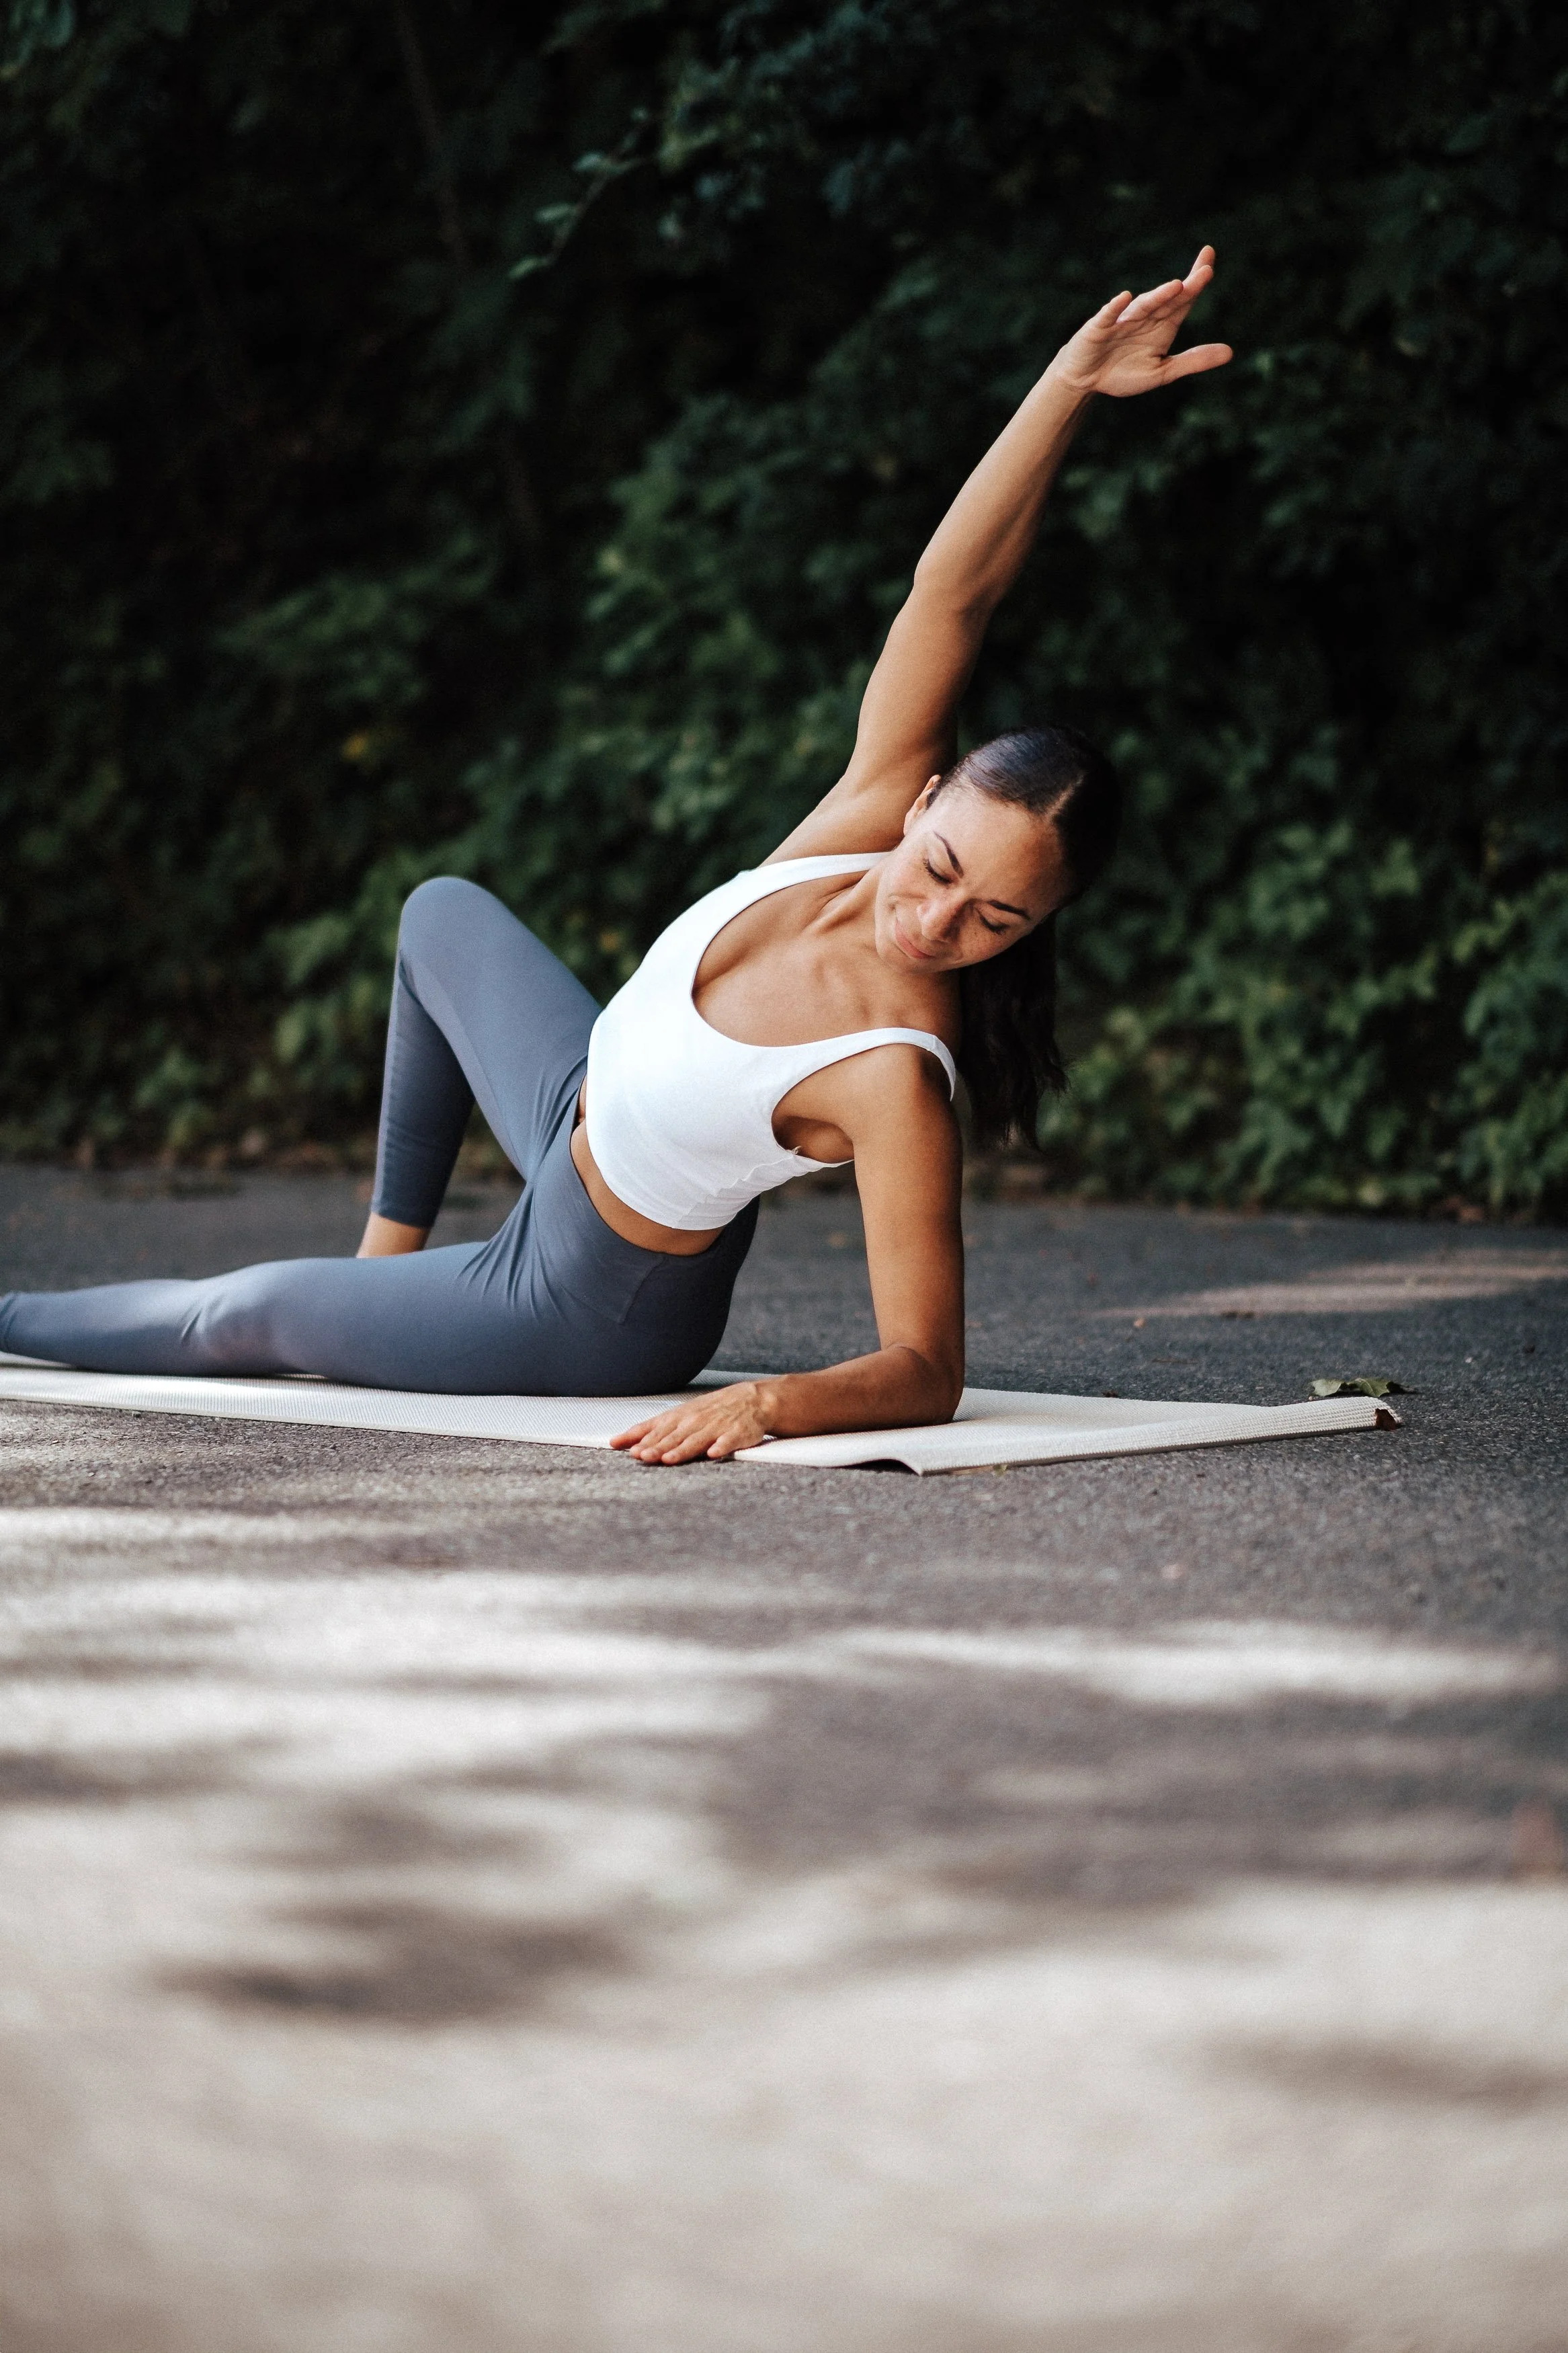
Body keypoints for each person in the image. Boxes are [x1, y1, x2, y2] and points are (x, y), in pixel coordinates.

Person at [0, 250, 1231, 1463]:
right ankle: (381, 1273)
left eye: (998, 923)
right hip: (577, 1100)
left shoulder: (894, 1076)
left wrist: (769, 1404)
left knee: (246, 1313)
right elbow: (950, 596)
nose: (940, 921)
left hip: (588, 1299)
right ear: (921, 802)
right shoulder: (864, 813)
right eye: (948, 867)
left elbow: (927, 1369)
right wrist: (1066, 387)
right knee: (438, 914)